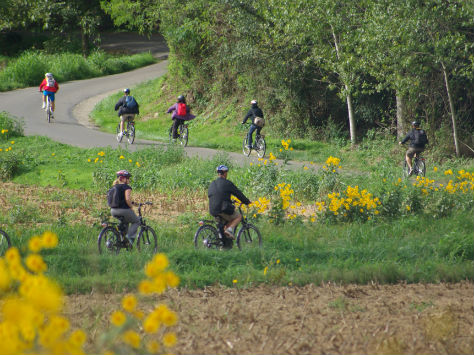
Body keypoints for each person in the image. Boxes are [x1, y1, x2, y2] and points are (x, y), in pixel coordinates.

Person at [208, 165, 251, 239]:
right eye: (226, 172)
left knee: (225, 224)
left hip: (213, 210)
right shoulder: (227, 183)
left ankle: (224, 245)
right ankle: (229, 230)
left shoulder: (212, 184)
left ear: (218, 173)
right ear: (224, 173)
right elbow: (238, 193)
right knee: (239, 216)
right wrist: (247, 201)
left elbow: (213, 195)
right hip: (222, 209)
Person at [109, 170, 140, 245]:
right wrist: (131, 206)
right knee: (137, 221)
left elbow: (121, 199)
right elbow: (127, 199)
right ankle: (129, 237)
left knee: (125, 223)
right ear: (122, 179)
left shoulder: (114, 187)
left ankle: (123, 242)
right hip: (123, 210)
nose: (129, 179)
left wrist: (133, 203)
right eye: (128, 178)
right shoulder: (127, 187)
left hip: (113, 210)